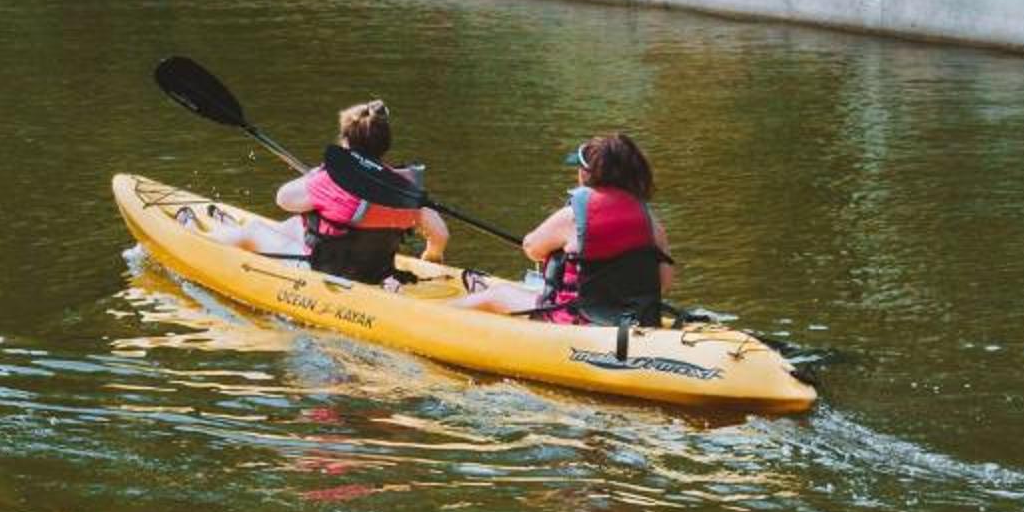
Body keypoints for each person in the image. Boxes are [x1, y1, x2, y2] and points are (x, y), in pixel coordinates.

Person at [201, 99, 449, 283]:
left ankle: (197, 245)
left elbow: (284, 199)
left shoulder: (328, 180)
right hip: (376, 273)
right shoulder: (405, 189)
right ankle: (224, 230)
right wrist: (432, 255)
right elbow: (440, 234)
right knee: (294, 225)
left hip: (323, 274)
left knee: (253, 231)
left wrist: (317, 174)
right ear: (385, 145)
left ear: (345, 142)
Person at [453, 133, 675, 323]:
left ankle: (441, 316)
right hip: (633, 319)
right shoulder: (652, 223)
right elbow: (664, 283)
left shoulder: (574, 216)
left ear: (586, 174)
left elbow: (531, 248)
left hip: (574, 319)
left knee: (496, 294)